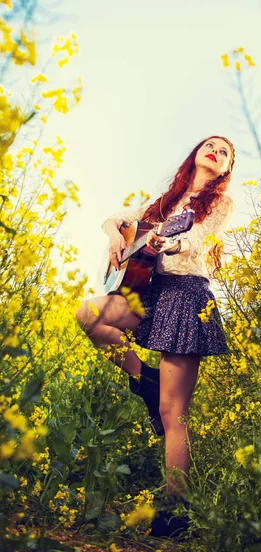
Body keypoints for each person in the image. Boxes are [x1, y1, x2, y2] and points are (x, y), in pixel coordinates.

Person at [75, 135, 235, 538]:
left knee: (172, 414)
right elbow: (115, 217)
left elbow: (198, 240)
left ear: (226, 169)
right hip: (148, 293)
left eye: (226, 151)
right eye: (211, 144)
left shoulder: (218, 204)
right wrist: (115, 235)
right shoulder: (164, 202)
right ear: (196, 154)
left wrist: (172, 242)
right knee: (89, 314)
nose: (217, 149)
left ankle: (176, 513)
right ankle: (142, 379)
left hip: (185, 294)